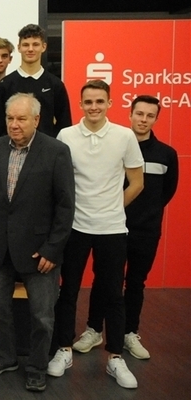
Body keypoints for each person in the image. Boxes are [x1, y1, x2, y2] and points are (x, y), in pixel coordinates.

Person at [0, 93, 75, 392]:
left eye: (21, 119)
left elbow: (66, 206)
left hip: (40, 252)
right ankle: (5, 359)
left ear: (36, 120)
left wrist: (53, 249)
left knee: (42, 317)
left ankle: (37, 367)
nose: (14, 125)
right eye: (10, 118)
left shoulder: (56, 151)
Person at [50, 80, 144, 389]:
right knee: (68, 291)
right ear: (80, 104)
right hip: (75, 227)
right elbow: (59, 182)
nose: (94, 107)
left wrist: (113, 206)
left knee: (113, 295)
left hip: (112, 228)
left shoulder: (125, 136)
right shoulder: (66, 135)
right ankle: (63, 350)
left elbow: (136, 182)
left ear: (110, 103)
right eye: (88, 101)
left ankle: (116, 357)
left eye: (99, 101)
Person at [80, 95, 178, 360]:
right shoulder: (114, 145)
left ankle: (129, 333)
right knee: (104, 280)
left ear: (156, 119)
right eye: (139, 114)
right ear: (130, 115)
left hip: (144, 231)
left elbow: (167, 192)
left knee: (135, 282)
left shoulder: (166, 154)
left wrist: (145, 214)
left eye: (149, 116)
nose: (143, 120)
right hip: (110, 227)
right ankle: (93, 329)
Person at [0, 24, 71, 138]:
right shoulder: (5, 85)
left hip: (46, 151)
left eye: (35, 44)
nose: (30, 49)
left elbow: (64, 125)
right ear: (19, 48)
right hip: (12, 150)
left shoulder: (55, 85)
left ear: (44, 47)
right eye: (26, 45)